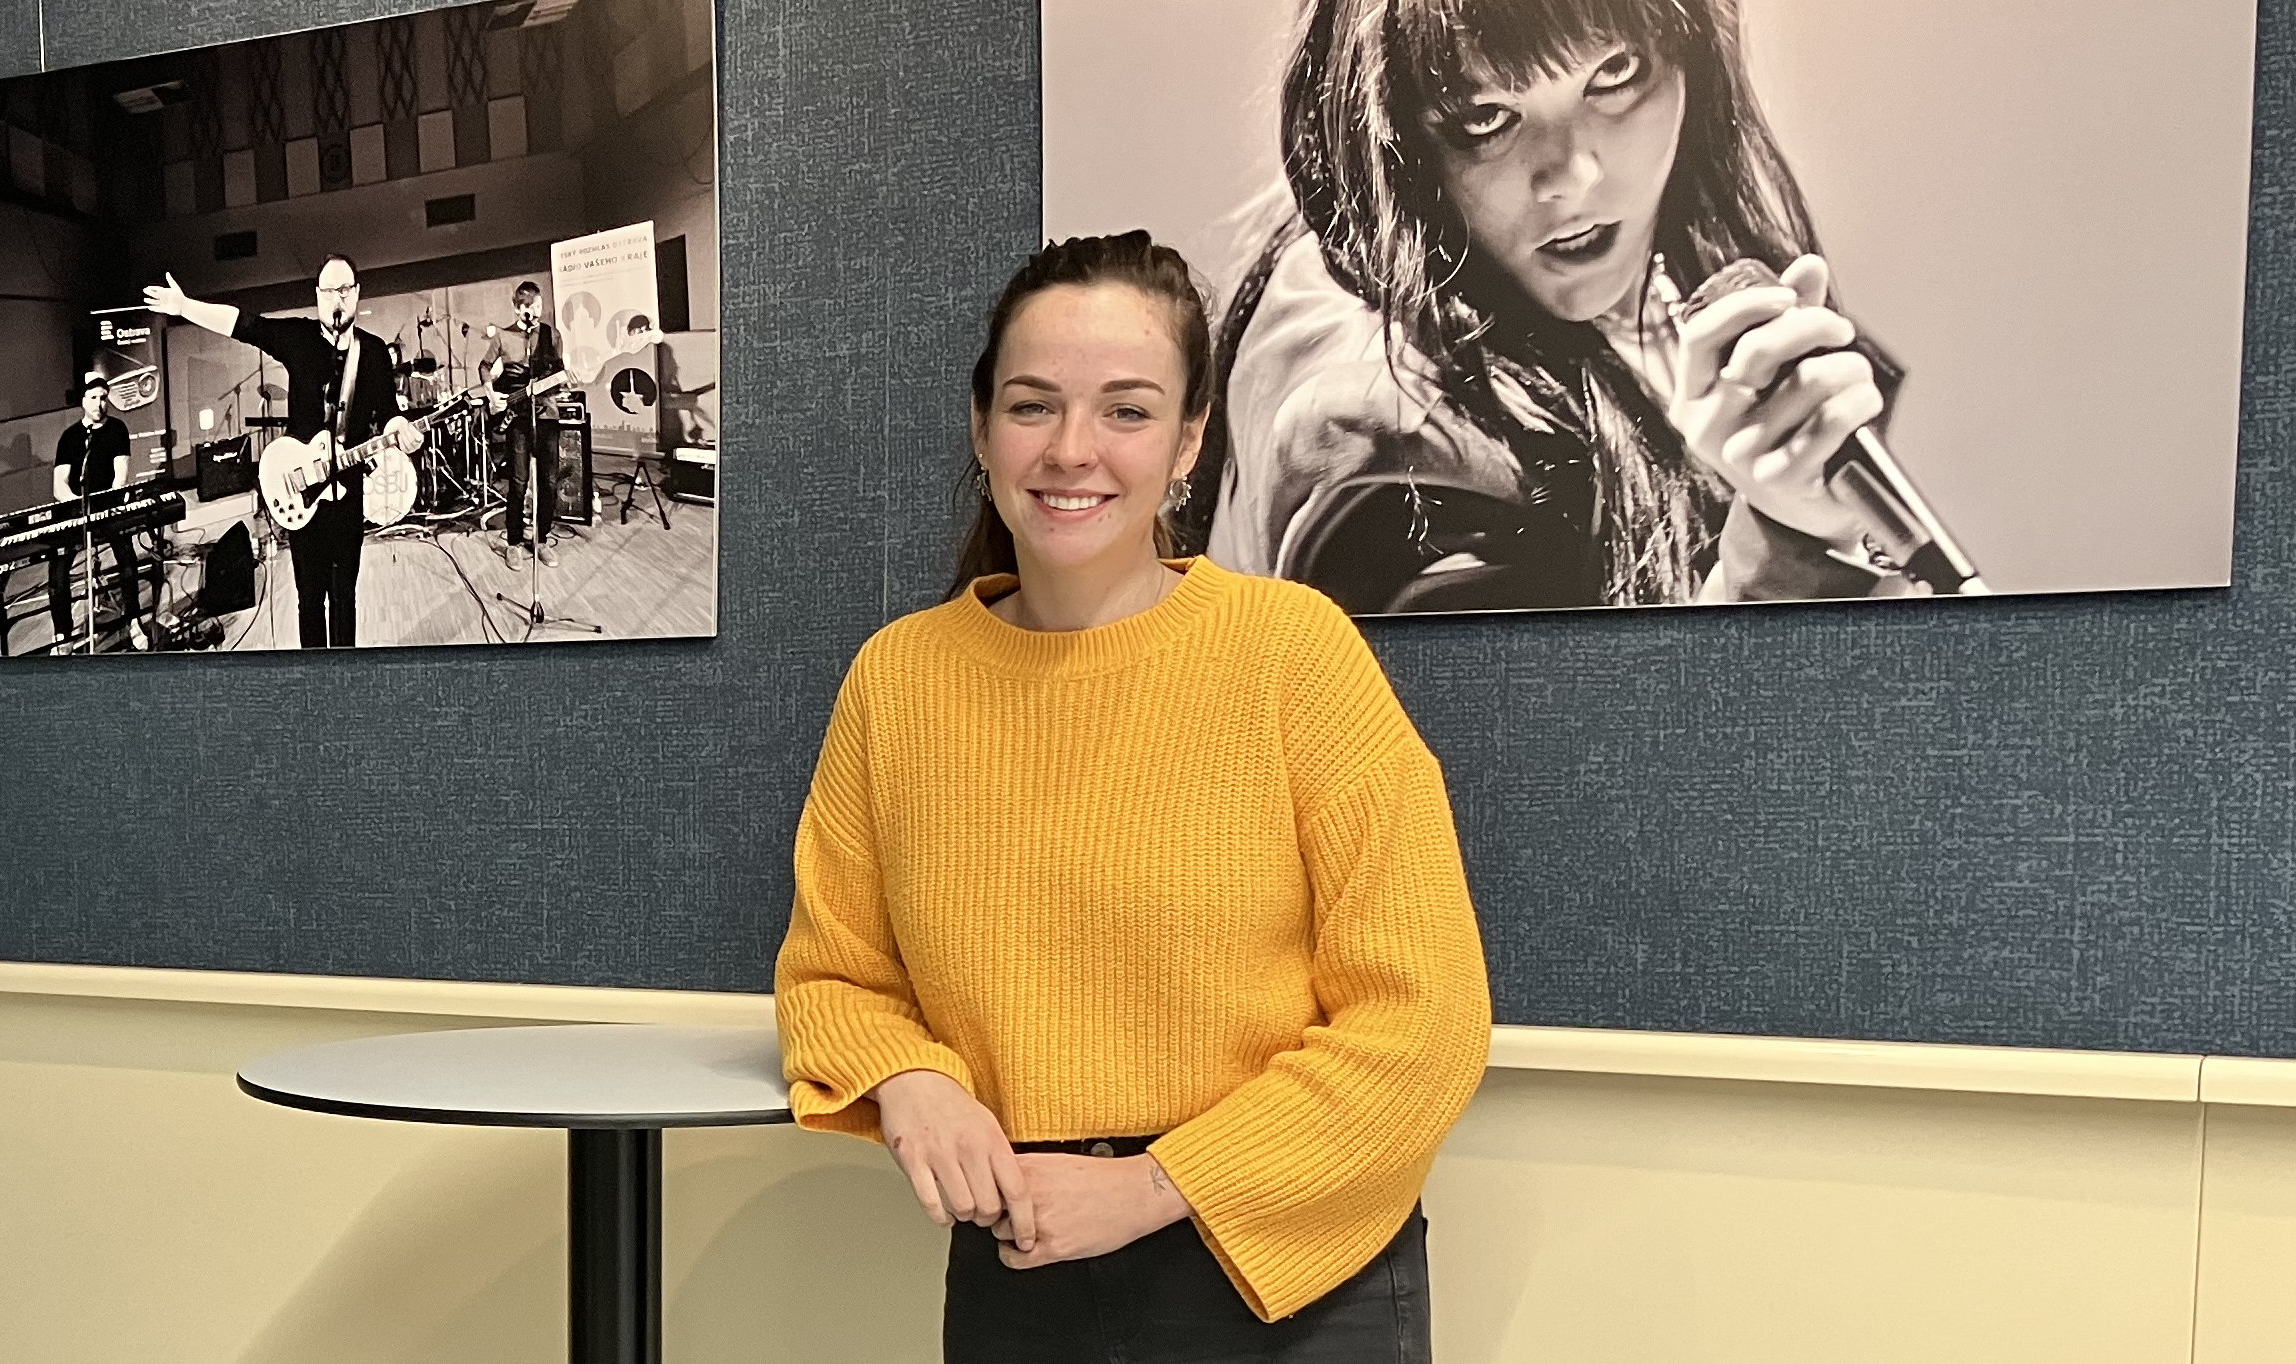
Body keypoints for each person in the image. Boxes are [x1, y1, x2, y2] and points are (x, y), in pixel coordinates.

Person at [774, 231, 1491, 1362]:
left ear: (1190, 438)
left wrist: (1156, 1186)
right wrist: (908, 1078)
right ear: (980, 428)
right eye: (1032, 406)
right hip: (1021, 1260)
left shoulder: (1292, 653)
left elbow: (1425, 1019)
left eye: (1126, 410)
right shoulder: (897, 680)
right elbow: (834, 975)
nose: (1072, 450)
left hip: (1286, 1271)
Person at [1188, 0, 1917, 613]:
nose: (1573, 173)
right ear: (1390, 137)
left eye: (1615, 74)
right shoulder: (1393, 443)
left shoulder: (1632, 278)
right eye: (1485, 118)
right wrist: (1790, 549)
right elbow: (1539, 744)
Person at [145, 255, 422, 648]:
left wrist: (402, 431)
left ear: (357, 293)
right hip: (300, 489)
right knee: (309, 599)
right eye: (330, 290)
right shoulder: (300, 337)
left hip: (348, 494)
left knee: (345, 597)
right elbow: (244, 325)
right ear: (318, 295)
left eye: (345, 289)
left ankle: (346, 673)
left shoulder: (374, 351)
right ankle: (314, 675)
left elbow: (390, 413)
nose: (338, 298)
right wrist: (185, 307)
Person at [46, 371, 148, 652]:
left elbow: (120, 477)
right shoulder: (70, 437)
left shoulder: (118, 429)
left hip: (107, 507)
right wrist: (78, 507)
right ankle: (63, 636)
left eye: (103, 398)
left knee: (127, 558)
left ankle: (133, 620)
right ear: (83, 401)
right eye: (93, 398)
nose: (99, 404)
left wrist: (106, 507)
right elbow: (59, 484)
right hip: (76, 510)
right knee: (57, 571)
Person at [481, 281, 565, 568]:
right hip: (517, 416)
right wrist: (492, 395)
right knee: (518, 481)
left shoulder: (552, 335)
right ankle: (514, 542)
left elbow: (559, 372)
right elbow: (484, 366)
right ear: (518, 308)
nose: (535, 311)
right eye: (529, 306)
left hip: (547, 414)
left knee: (549, 481)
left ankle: (542, 539)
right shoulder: (503, 336)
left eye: (539, 305)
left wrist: (566, 379)